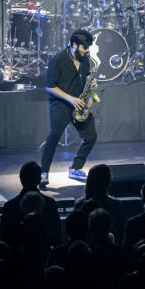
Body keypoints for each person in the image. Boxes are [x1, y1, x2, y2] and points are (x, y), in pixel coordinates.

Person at [41, 28, 99, 183]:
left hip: (79, 104)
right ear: (74, 44)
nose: (87, 51)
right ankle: (43, 173)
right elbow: (50, 87)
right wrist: (71, 99)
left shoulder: (85, 59)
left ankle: (75, 168)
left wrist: (90, 80)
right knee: (54, 136)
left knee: (91, 136)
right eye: (84, 48)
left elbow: (86, 75)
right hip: (61, 103)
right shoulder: (58, 60)